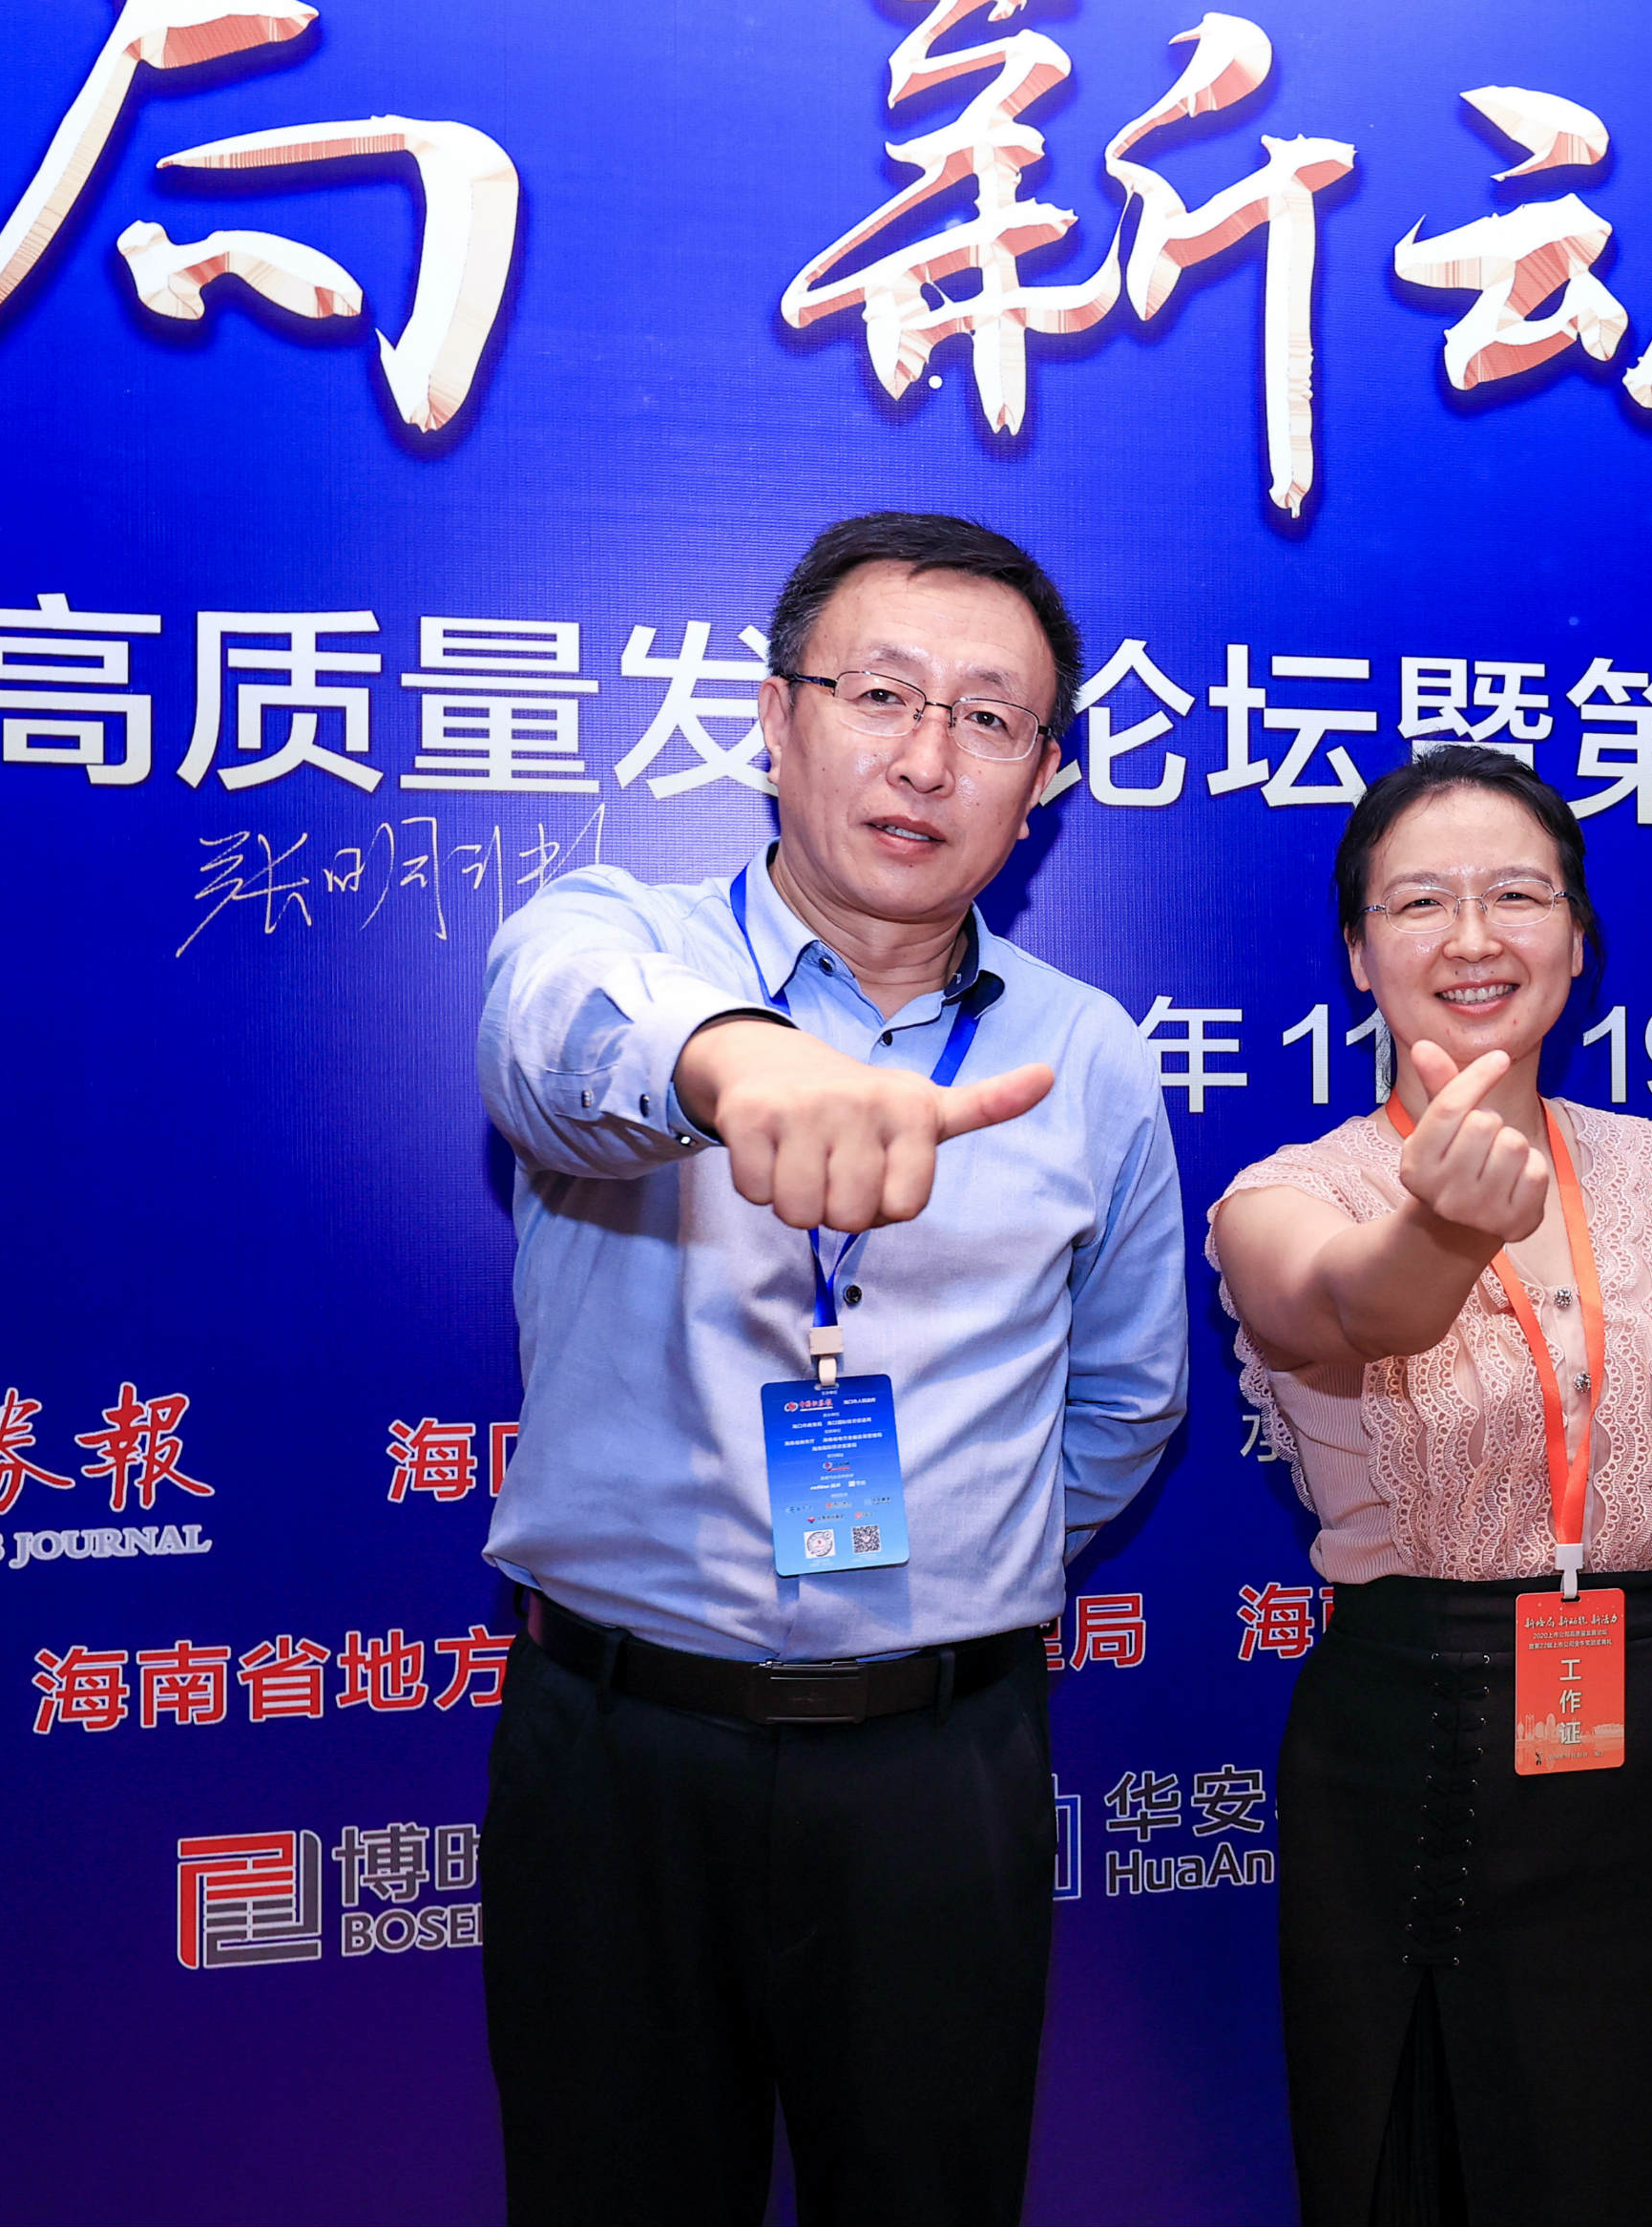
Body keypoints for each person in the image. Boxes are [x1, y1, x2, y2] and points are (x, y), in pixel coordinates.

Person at [472, 512, 1187, 2227]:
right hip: (621, 1752)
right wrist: (733, 1066)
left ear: (1045, 778)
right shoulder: (622, 938)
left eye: (989, 718)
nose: (927, 758)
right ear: (774, 718)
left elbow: (1125, 1396)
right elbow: (544, 1033)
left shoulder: (1083, 1052)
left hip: (941, 1771)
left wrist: (957, 1571)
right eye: (880, 693)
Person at [1209, 746, 1652, 2227]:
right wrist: (1441, 1226)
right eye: (1420, 901)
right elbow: (1349, 1306)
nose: (1473, 937)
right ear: (1359, 953)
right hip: (1416, 1753)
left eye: (1518, 895)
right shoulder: (1292, 1194)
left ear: (1578, 939)